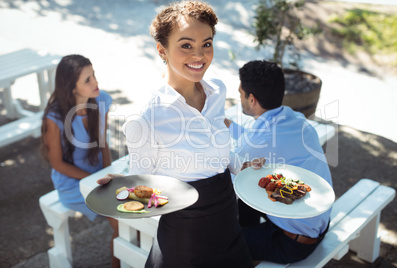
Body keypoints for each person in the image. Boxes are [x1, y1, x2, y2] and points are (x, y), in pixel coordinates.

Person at [121, 1, 253, 267]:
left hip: (228, 220)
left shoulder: (216, 90)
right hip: (185, 238)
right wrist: (122, 189)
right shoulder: (146, 117)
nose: (199, 55)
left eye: (207, 43)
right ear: (162, 50)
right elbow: (142, 191)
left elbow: (217, 150)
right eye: (186, 45)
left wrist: (240, 164)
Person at [225, 60, 333, 264]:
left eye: (240, 94)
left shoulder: (260, 142)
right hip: (315, 222)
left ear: (252, 99)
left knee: (216, 239)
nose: (240, 99)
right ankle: (247, 232)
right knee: (252, 189)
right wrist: (228, 125)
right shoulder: (295, 119)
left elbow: (224, 178)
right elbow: (261, 140)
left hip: (293, 243)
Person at [40, 54, 119, 268]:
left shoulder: (101, 100)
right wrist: (95, 181)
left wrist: (108, 174)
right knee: (121, 222)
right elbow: (57, 164)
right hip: (72, 182)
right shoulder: (54, 118)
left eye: (94, 75)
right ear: (72, 87)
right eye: (87, 80)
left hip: (98, 175)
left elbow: (103, 144)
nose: (96, 83)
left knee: (132, 212)